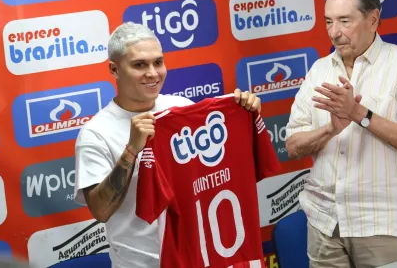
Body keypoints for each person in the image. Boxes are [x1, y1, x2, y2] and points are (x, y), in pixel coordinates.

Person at [73, 22, 262, 268]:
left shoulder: (182, 108)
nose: (153, 73)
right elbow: (100, 210)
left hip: (196, 258)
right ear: (114, 69)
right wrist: (131, 150)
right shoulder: (96, 133)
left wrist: (244, 114)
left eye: (158, 62)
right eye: (139, 65)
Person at [285, 0, 397, 267]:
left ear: (373, 20)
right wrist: (330, 129)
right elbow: (293, 146)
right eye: (328, 22)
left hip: (381, 224)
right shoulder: (319, 71)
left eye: (345, 21)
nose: (334, 32)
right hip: (324, 223)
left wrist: (359, 114)